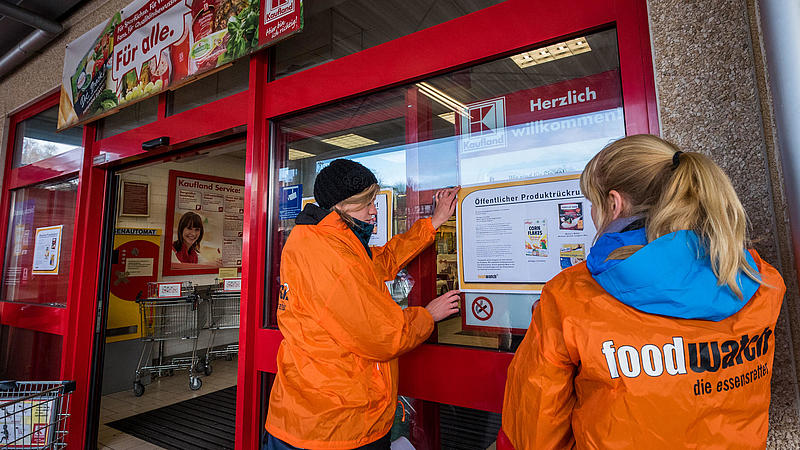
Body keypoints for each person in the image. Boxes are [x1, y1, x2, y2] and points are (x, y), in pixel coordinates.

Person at [499, 134, 785, 449]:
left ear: (614, 203)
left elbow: (535, 429)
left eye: (593, 205)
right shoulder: (759, 280)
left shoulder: (571, 297)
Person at [265, 159, 461, 450]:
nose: (373, 210)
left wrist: (431, 224)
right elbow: (384, 336)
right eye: (366, 202)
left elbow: (379, 262)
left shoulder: (315, 238)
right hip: (337, 425)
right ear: (341, 205)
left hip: (304, 414)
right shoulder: (334, 256)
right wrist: (427, 316)